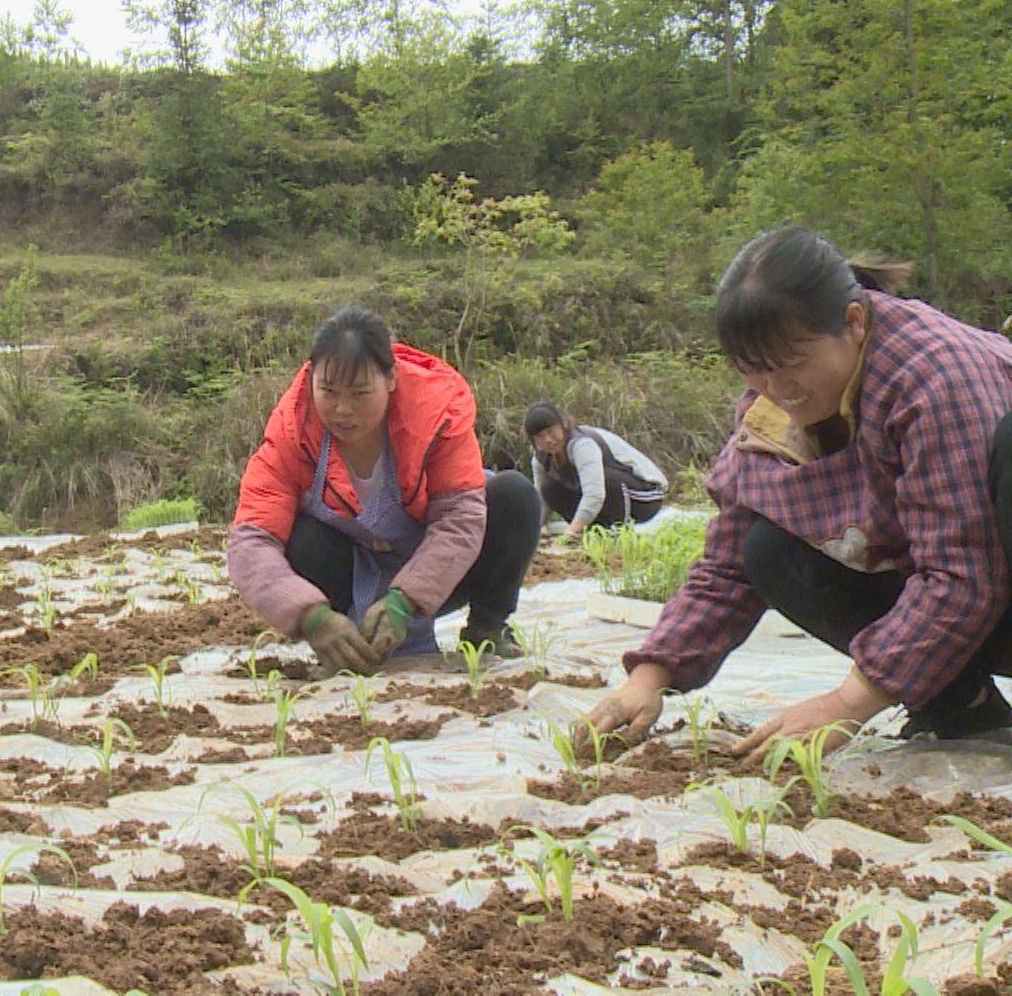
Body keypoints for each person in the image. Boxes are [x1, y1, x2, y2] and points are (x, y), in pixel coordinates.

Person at [583, 226, 1012, 760]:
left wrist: (846, 704)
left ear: (854, 323)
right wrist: (649, 677)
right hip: (971, 606)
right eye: (753, 371)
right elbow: (726, 564)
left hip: (996, 584)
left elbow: (965, 571)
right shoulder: (771, 405)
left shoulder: (936, 375)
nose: (779, 390)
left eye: (792, 366)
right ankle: (960, 706)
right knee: (765, 547)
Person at [227, 306, 543, 675]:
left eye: (360, 392)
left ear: (391, 379)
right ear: (310, 378)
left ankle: (487, 629)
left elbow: (460, 521)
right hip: (348, 573)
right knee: (301, 536)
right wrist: (308, 614)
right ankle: (342, 640)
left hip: (437, 573)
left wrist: (406, 600)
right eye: (328, 391)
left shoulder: (438, 417)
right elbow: (251, 542)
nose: (342, 410)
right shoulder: (291, 432)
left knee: (513, 496)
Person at [523, 401, 668, 535]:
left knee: (605, 480)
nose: (548, 440)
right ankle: (593, 531)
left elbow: (594, 495)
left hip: (646, 496)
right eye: (540, 436)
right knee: (548, 487)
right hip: (610, 497)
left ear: (563, 425)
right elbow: (541, 499)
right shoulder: (540, 459)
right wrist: (533, 531)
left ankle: (617, 531)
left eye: (551, 431)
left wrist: (571, 532)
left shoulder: (581, 445)